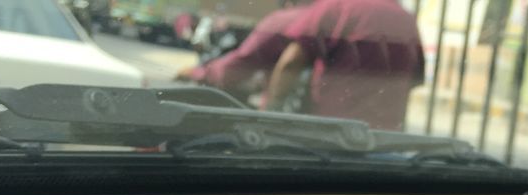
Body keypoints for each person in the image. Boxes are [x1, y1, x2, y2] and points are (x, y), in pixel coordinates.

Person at [265, 0, 423, 131]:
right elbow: (414, 79)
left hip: (333, 138)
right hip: (385, 141)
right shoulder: (407, 19)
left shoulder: (337, 6)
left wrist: (270, 113)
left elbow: (290, 64)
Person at [176, 2, 305, 102]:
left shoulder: (285, 20)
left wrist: (197, 73)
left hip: (285, 119)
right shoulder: (320, 14)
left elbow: (240, 63)